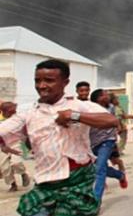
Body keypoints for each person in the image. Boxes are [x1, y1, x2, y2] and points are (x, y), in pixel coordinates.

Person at [0, 59, 118, 216]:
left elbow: (111, 121)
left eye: (49, 80)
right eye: (38, 81)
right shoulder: (27, 110)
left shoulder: (77, 105)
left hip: (77, 180)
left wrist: (74, 116)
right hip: (45, 182)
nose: (42, 86)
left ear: (65, 82)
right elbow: (4, 130)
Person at [89, 89, 128, 203]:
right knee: (98, 168)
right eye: (104, 94)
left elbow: (115, 120)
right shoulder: (89, 108)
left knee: (100, 169)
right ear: (99, 98)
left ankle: (96, 201)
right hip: (92, 142)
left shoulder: (111, 108)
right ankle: (119, 175)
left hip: (108, 141)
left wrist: (119, 128)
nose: (107, 96)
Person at [0, 102, 30, 192]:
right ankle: (13, 185)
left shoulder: (20, 118)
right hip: (3, 145)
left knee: (16, 162)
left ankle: (23, 173)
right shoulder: (2, 121)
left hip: (16, 144)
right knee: (5, 167)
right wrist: (2, 146)